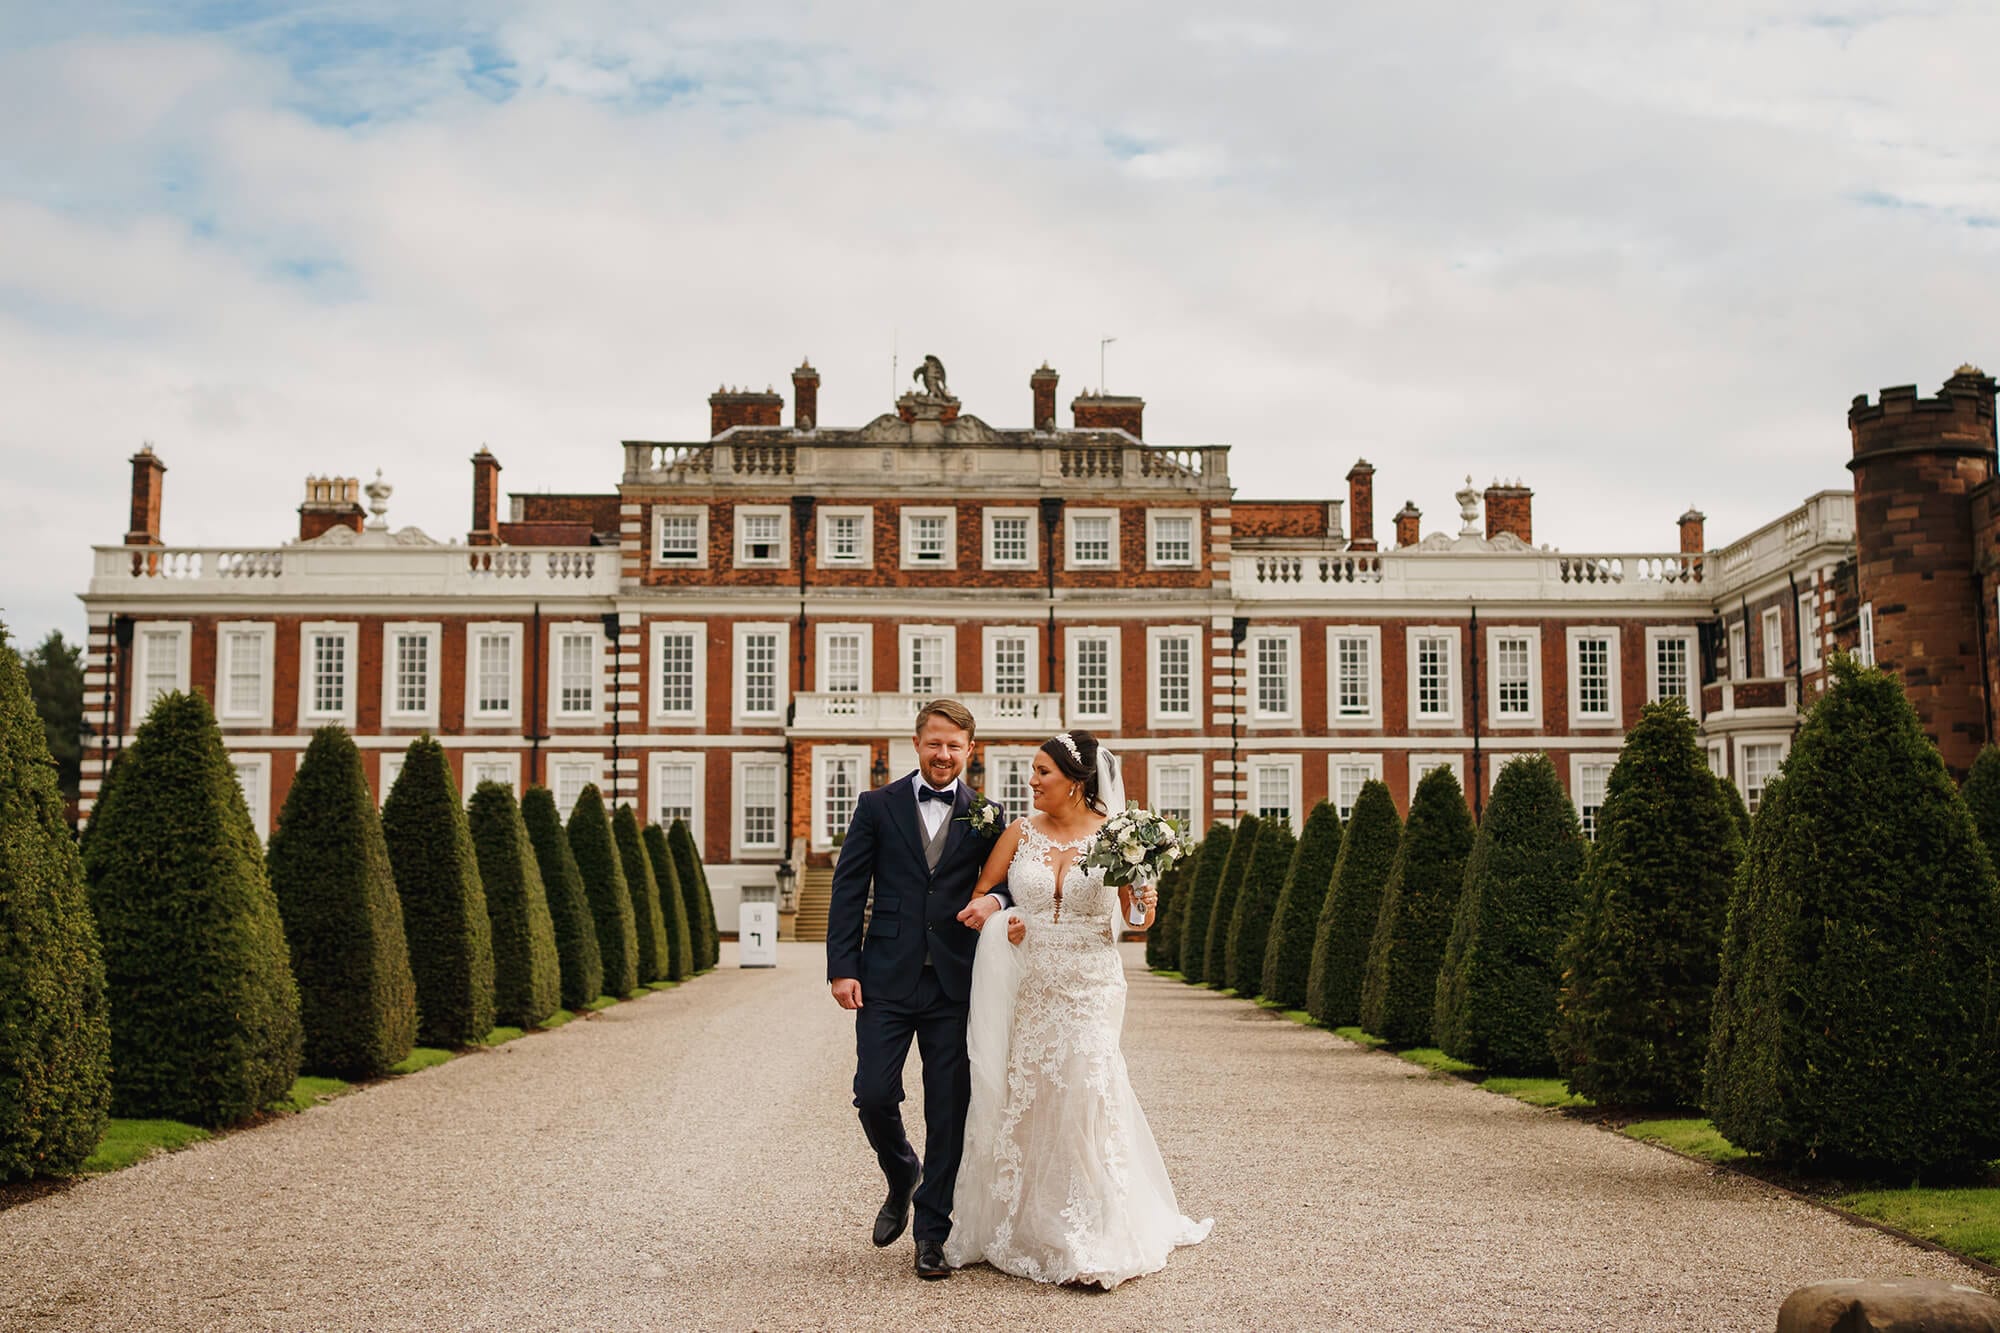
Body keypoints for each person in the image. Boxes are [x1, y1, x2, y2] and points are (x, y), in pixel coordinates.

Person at [945, 729, 1212, 1288]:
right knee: (1036, 1094)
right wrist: (1003, 919)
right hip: (1034, 983)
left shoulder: (1119, 837)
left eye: (1042, 772)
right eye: (1032, 770)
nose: (1031, 781)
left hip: (1093, 982)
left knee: (1087, 1089)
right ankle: (1034, 1224)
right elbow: (983, 895)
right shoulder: (1019, 833)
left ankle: (1093, 1231)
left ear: (1075, 781)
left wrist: (1145, 904)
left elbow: (1137, 922)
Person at [824, 700, 1012, 1281]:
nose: (944, 754)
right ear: (917, 743)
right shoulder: (876, 806)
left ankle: (932, 1234)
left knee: (949, 1111)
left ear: (970, 751)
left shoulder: (988, 814)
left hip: (956, 982)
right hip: (884, 975)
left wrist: (996, 902)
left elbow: (1008, 883)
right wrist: (842, 966)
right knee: (873, 1093)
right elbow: (849, 886)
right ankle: (902, 1170)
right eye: (935, 743)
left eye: (955, 746)